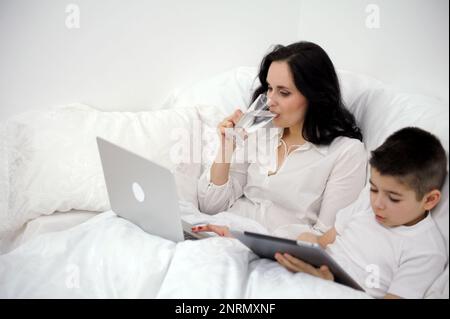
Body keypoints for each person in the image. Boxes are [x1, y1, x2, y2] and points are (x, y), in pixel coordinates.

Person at [197, 41, 367, 238]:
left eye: (284, 92)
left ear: (315, 96)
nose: (270, 101)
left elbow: (326, 237)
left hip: (271, 251)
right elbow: (210, 207)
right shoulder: (260, 130)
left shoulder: (346, 152)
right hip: (222, 230)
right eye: (269, 88)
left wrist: (248, 240)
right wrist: (226, 149)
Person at [273, 127, 448, 298]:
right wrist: (305, 247)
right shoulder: (366, 203)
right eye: (373, 189)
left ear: (430, 200)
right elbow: (323, 241)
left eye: (393, 198)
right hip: (316, 273)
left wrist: (330, 285)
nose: (377, 204)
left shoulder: (425, 251)